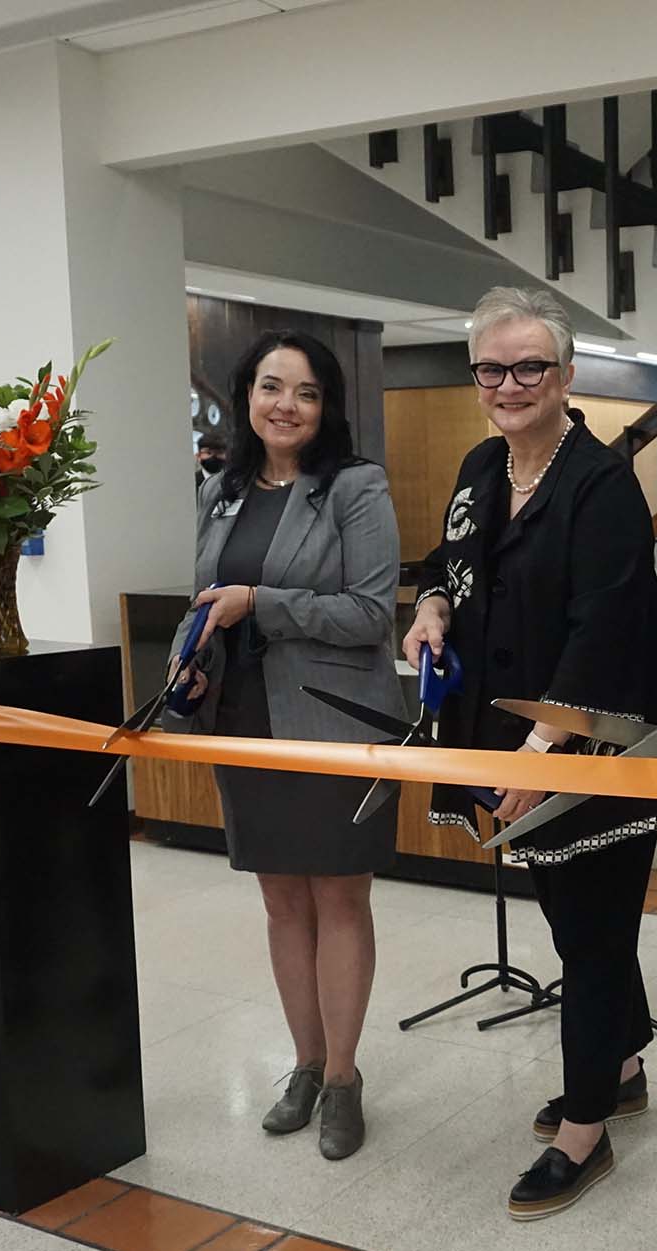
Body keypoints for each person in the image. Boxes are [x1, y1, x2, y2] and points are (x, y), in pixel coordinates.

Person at [401, 286, 657, 1220]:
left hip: (586, 755)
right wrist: (431, 605)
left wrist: (541, 749)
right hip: (505, 744)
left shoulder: (599, 485)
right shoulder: (482, 465)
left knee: (593, 936)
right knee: (574, 924)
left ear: (565, 377)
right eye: (491, 368)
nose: (508, 384)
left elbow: (607, 629)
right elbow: (450, 561)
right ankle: (623, 1062)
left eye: (529, 367)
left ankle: (586, 1127)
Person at [168, 329, 403, 1162]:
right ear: (247, 396)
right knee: (280, 901)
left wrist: (259, 602)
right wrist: (189, 662)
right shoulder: (220, 490)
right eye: (272, 388)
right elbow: (205, 598)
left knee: (339, 898)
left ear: (326, 405)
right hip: (244, 716)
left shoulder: (354, 488)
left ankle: (343, 1077)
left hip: (335, 720)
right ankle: (302, 1063)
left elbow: (373, 613)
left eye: (305, 392)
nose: (286, 406)